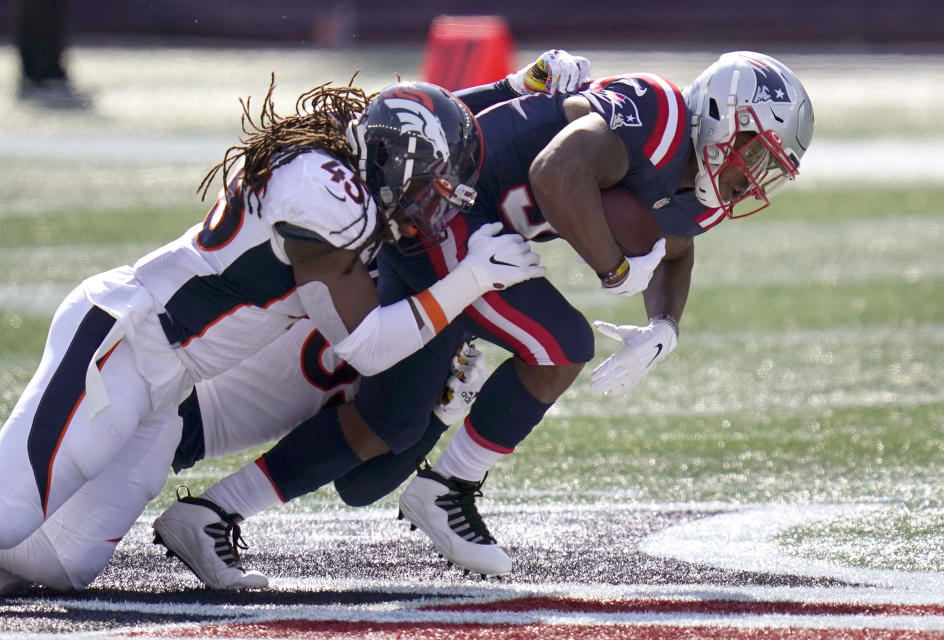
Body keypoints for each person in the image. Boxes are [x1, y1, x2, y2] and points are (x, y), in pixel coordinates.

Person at [0, 51, 590, 594]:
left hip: (167, 382)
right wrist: (469, 280)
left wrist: (512, 88)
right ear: (390, 165)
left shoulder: (356, 154)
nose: (432, 205)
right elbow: (367, 348)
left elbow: (413, 115)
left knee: (54, 564)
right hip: (127, 341)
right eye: (426, 186)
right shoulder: (327, 199)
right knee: (9, 516)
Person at [280, 50, 815, 577]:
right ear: (724, 115)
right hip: (447, 202)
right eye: (756, 148)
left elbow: (676, 248)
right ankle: (448, 488)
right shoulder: (658, 115)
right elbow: (556, 171)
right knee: (563, 345)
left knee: (378, 449)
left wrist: (663, 328)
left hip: (486, 240)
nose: (756, 172)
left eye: (771, 163)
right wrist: (616, 271)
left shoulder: (698, 182)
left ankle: (223, 506)